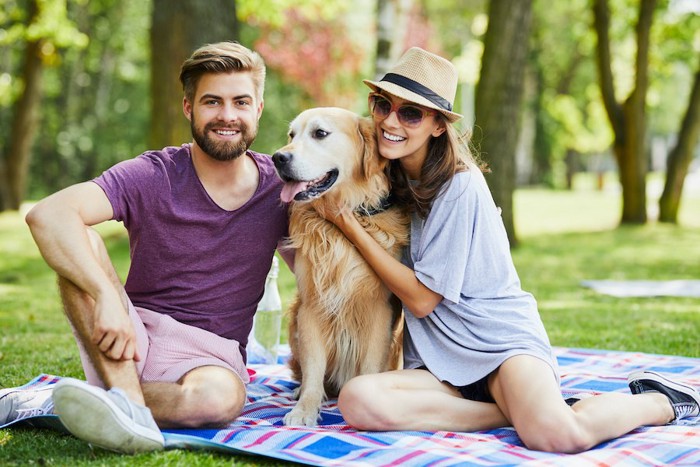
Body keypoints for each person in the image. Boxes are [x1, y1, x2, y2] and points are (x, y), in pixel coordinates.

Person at [322, 47, 700, 453]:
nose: (390, 121)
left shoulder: (459, 186)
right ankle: (513, 412)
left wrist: (346, 222)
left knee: (559, 436)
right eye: (382, 105)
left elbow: (421, 300)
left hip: (499, 346)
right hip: (437, 363)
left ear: (437, 126)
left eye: (410, 113)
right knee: (358, 400)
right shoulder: (384, 177)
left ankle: (660, 401)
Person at [1, 41, 292, 454]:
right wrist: (103, 294)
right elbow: (47, 215)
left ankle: (96, 404)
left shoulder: (279, 191)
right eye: (212, 102)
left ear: (258, 108)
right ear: (188, 107)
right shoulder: (154, 173)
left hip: (211, 357)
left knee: (219, 401)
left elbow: (319, 278)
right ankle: (120, 401)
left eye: (241, 102)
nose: (228, 116)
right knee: (80, 238)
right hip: (128, 335)